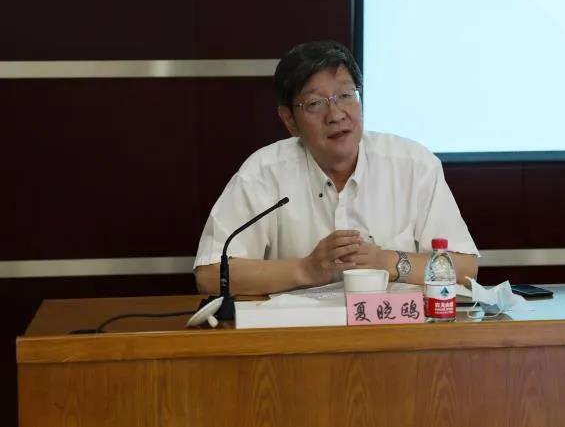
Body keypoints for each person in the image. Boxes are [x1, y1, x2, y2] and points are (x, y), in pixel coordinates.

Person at [194, 40, 479, 295]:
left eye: (345, 95)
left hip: (394, 330)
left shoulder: (414, 165)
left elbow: (465, 268)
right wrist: (306, 269)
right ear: (290, 120)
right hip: (301, 333)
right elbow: (210, 275)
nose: (336, 115)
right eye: (315, 103)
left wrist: (385, 261)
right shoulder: (263, 173)